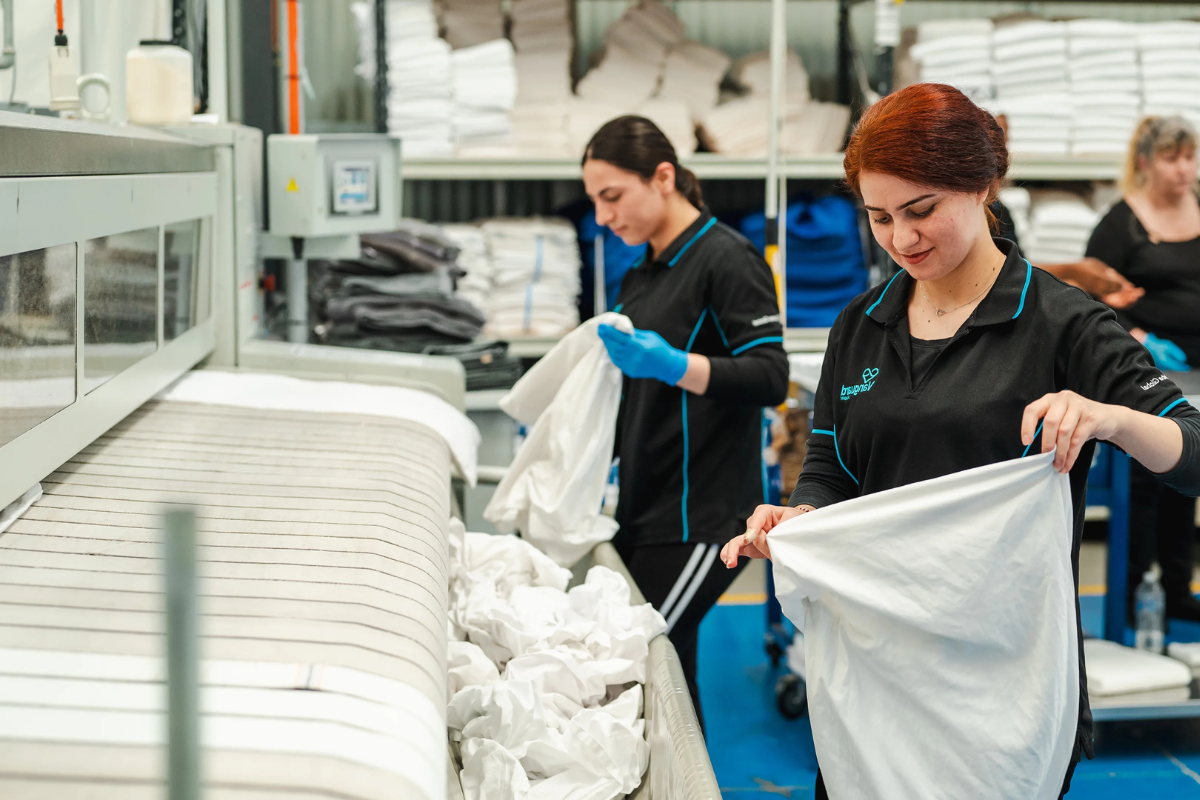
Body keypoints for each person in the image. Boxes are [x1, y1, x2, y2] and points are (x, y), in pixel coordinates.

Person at [719, 84, 1200, 798]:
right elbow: (830, 461)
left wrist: (1110, 418)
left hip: (1002, 690)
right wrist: (800, 517)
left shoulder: (1063, 322)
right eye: (879, 217)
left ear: (983, 186)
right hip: (875, 675)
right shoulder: (862, 324)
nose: (901, 239)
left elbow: (1192, 449)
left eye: (921, 211)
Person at [580, 116, 789, 727]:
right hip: (647, 504)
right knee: (663, 678)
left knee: (637, 656)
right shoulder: (642, 272)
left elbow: (769, 376)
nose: (602, 217)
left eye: (612, 196)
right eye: (595, 201)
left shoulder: (727, 260)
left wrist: (674, 365)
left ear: (663, 177)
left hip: (703, 516)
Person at [1086, 115, 1200, 622]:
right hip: (1147, 374)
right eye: (1173, 158)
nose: (1184, 169)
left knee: (1188, 479)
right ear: (1146, 162)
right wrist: (1136, 337)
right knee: (1145, 486)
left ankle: (1178, 591)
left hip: (1199, 374)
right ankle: (1132, 593)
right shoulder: (1122, 223)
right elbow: (1089, 298)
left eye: (1190, 157)